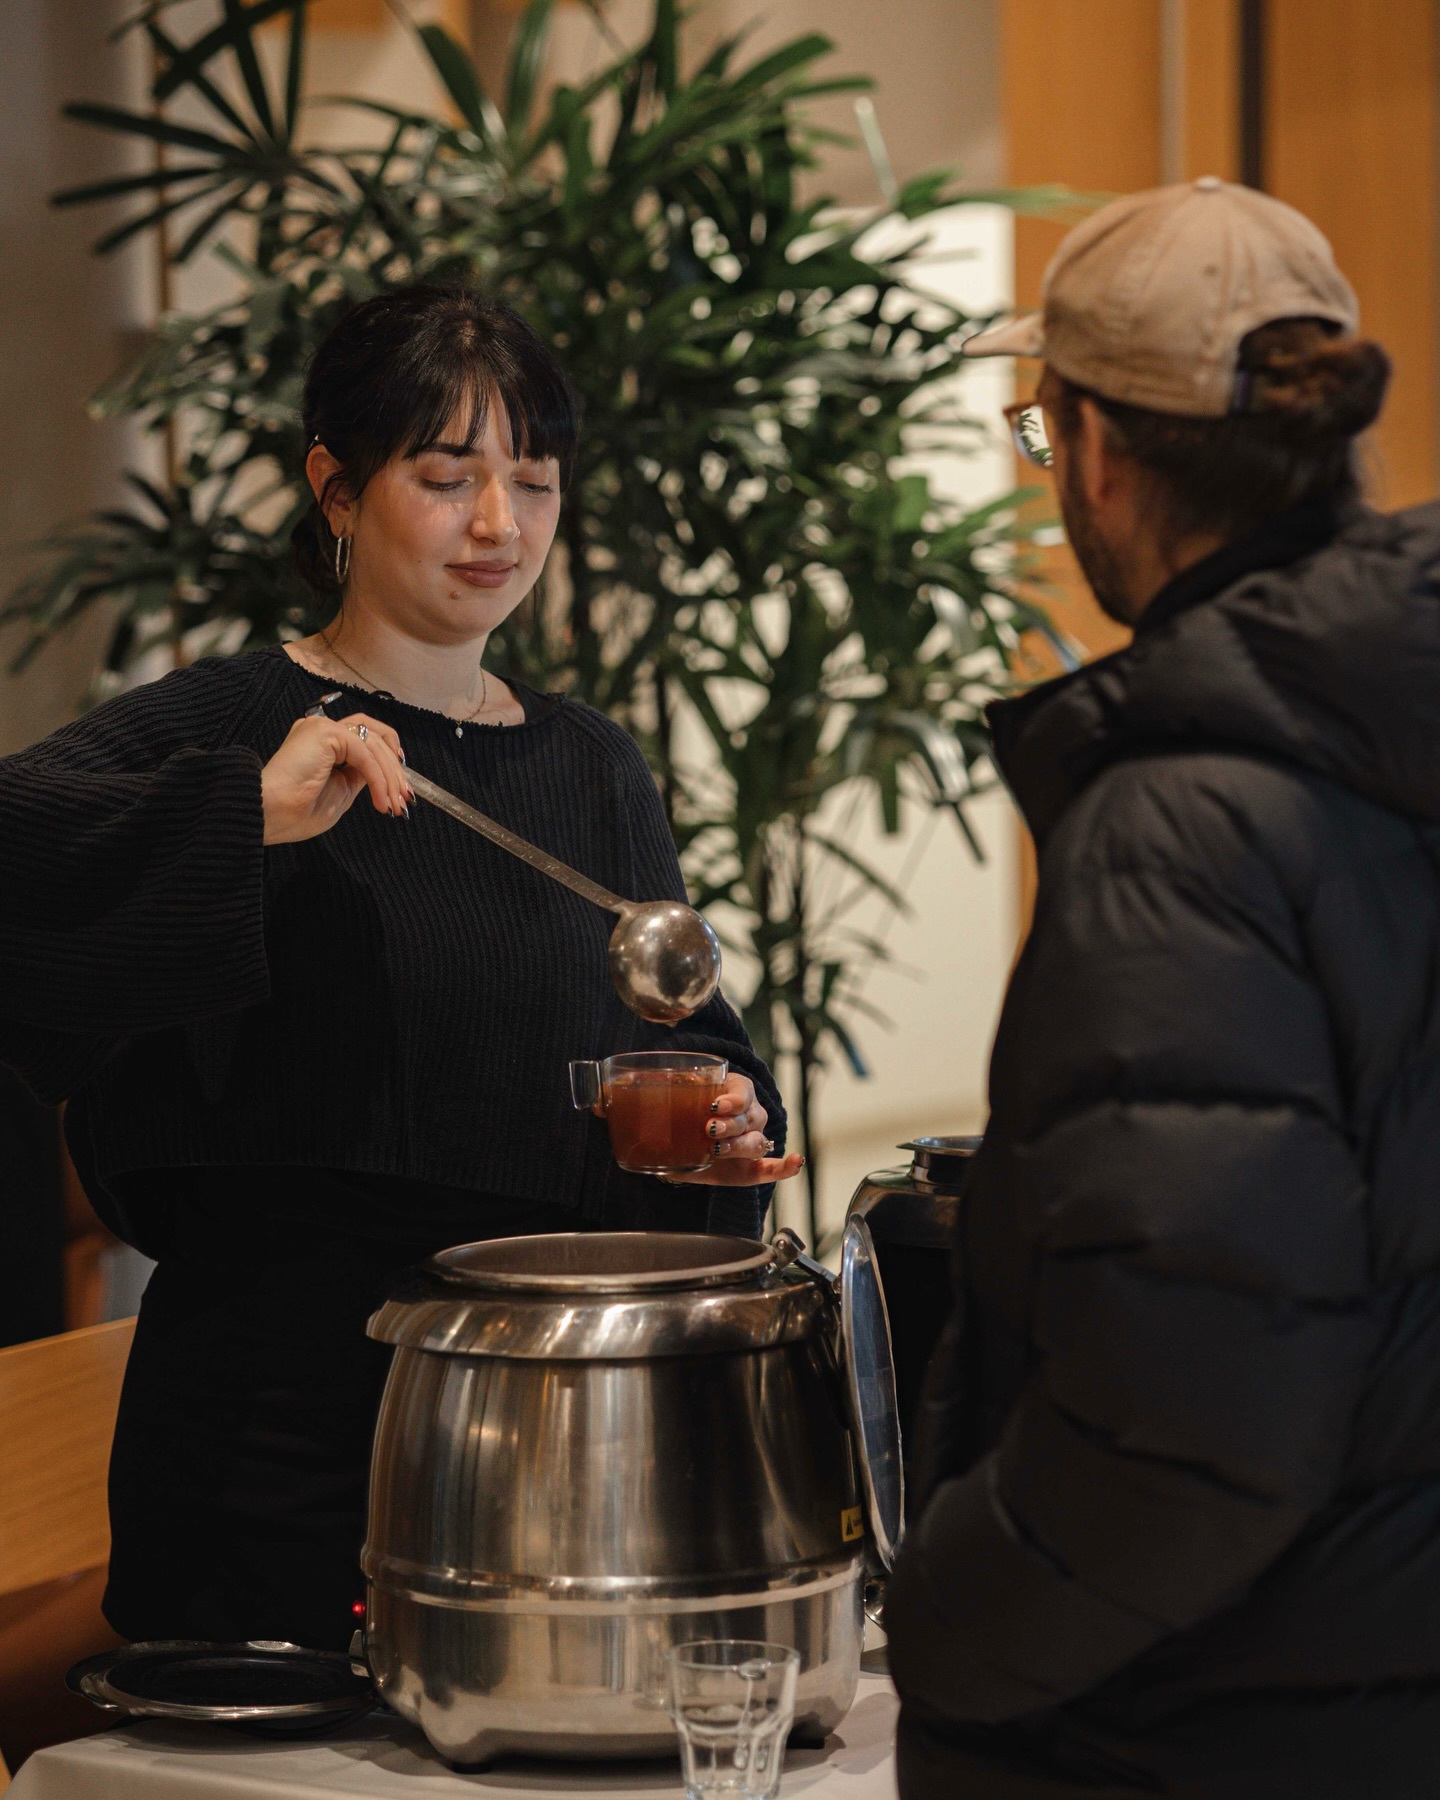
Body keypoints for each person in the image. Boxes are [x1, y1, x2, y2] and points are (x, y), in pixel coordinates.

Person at [0, 284, 800, 1652]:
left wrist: (722, 1130)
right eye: (445, 478)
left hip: (537, 1437)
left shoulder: (590, 764)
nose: (498, 526)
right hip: (275, 1435)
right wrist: (245, 814)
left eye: (531, 482)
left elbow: (683, 1030)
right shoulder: (243, 720)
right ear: (339, 491)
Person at [884, 178, 1440, 1799]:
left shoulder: (1179, 824)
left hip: (1220, 1726)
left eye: (1043, 442)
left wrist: (943, 1624)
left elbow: (1183, 1432)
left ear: (1104, 458)